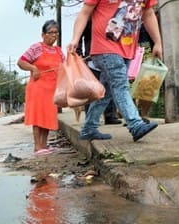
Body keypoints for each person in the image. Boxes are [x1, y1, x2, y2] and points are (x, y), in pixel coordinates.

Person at [67, 0, 163, 142]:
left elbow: (148, 14)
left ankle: (89, 128)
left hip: (127, 49)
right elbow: (84, 13)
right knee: (120, 84)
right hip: (104, 47)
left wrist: (158, 42)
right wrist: (75, 39)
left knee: (107, 91)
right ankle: (135, 124)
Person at [18, 20, 65, 156]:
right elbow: (21, 62)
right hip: (38, 88)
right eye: (51, 33)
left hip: (52, 89)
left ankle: (44, 145)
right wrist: (33, 68)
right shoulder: (36, 48)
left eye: (56, 33)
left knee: (47, 118)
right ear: (43, 34)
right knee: (38, 118)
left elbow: (65, 66)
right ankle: (37, 147)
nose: (54, 36)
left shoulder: (59, 51)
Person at [78, 19, 121, 125]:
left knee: (110, 86)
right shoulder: (88, 19)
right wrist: (79, 54)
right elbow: (79, 36)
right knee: (92, 90)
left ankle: (110, 115)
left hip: (110, 54)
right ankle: (90, 117)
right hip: (91, 58)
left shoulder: (111, 18)